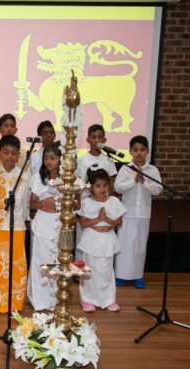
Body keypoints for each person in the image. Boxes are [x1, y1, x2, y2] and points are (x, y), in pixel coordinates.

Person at [0, 135, 30, 314]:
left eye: (14, 153)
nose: (10, 157)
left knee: (17, 265)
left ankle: (16, 302)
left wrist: (22, 219)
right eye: (6, 153)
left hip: (18, 226)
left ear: (19, 155)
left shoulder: (26, 177)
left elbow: (26, 203)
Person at [114, 135, 162, 288]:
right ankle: (120, 275)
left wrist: (144, 182)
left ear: (147, 151)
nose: (139, 153)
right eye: (135, 150)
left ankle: (138, 276)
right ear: (130, 152)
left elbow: (158, 190)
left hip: (143, 213)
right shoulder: (125, 169)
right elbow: (117, 188)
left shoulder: (152, 170)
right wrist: (133, 180)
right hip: (127, 212)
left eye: (142, 150)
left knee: (140, 246)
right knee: (124, 245)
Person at [77, 166, 125, 312]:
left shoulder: (114, 201)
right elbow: (84, 223)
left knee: (106, 271)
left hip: (107, 240)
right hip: (92, 239)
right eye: (98, 186)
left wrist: (107, 220)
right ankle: (87, 299)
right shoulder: (86, 202)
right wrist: (99, 218)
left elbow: (119, 222)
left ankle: (108, 299)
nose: (102, 189)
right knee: (89, 271)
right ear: (91, 187)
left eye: (105, 185)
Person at [27, 144, 62, 311]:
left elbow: (77, 204)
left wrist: (59, 204)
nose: (49, 161)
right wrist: (44, 203)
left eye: (53, 158)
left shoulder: (69, 178)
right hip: (42, 224)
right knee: (41, 261)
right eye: (46, 158)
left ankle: (54, 297)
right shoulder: (37, 178)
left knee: (56, 261)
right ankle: (39, 299)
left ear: (60, 159)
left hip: (60, 226)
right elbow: (32, 204)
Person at [75, 124, 118, 261]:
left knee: (101, 234)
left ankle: (100, 266)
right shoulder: (82, 160)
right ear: (88, 140)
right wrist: (78, 205)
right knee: (83, 236)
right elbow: (77, 184)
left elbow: (111, 184)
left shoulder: (108, 160)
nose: (97, 140)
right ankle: (80, 269)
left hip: (103, 204)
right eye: (93, 137)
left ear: (104, 140)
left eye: (100, 137)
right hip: (86, 203)